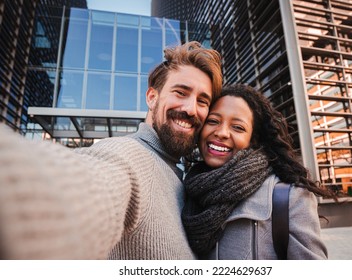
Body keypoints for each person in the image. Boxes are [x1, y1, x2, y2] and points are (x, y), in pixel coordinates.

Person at [0, 41, 223, 260]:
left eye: (203, 101)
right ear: (152, 98)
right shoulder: (126, 157)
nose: (191, 109)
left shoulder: (183, 177)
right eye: (181, 92)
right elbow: (72, 192)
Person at [181, 84, 331, 260]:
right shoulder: (187, 190)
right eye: (213, 121)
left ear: (253, 140)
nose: (221, 133)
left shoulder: (290, 197)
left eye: (238, 127)